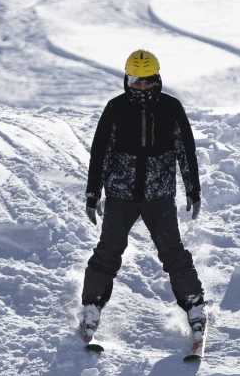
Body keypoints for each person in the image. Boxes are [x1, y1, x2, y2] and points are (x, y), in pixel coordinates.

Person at [80, 50, 206, 347]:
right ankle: (91, 307)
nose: (141, 87)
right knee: (108, 251)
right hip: (121, 195)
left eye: (147, 81)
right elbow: (100, 152)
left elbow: (186, 150)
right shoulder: (116, 108)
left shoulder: (171, 108)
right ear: (127, 80)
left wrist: (193, 189)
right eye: (135, 82)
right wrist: (93, 192)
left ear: (157, 79)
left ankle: (195, 306)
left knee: (172, 252)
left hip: (158, 196)